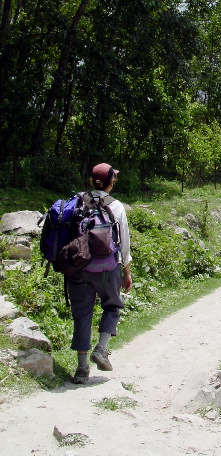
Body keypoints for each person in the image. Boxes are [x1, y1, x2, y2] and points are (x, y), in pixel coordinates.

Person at [69, 163, 132, 384]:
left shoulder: (77, 201)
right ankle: (102, 348)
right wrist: (127, 271)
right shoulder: (116, 206)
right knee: (113, 306)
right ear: (110, 182)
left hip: (78, 268)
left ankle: (81, 368)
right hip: (108, 268)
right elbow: (124, 243)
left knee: (82, 315)